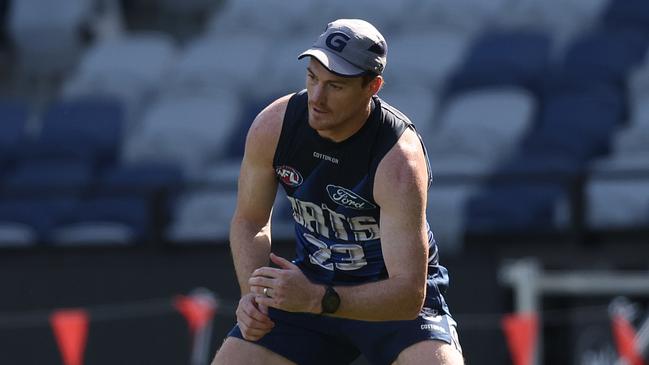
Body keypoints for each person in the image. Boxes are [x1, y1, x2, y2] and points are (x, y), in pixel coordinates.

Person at [212, 19, 463, 365]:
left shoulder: (399, 161)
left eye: (336, 86)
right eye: (312, 78)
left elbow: (408, 293)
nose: (317, 97)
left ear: (372, 87)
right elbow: (250, 220)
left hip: (388, 297)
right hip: (310, 283)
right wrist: (252, 296)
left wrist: (318, 298)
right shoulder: (274, 125)